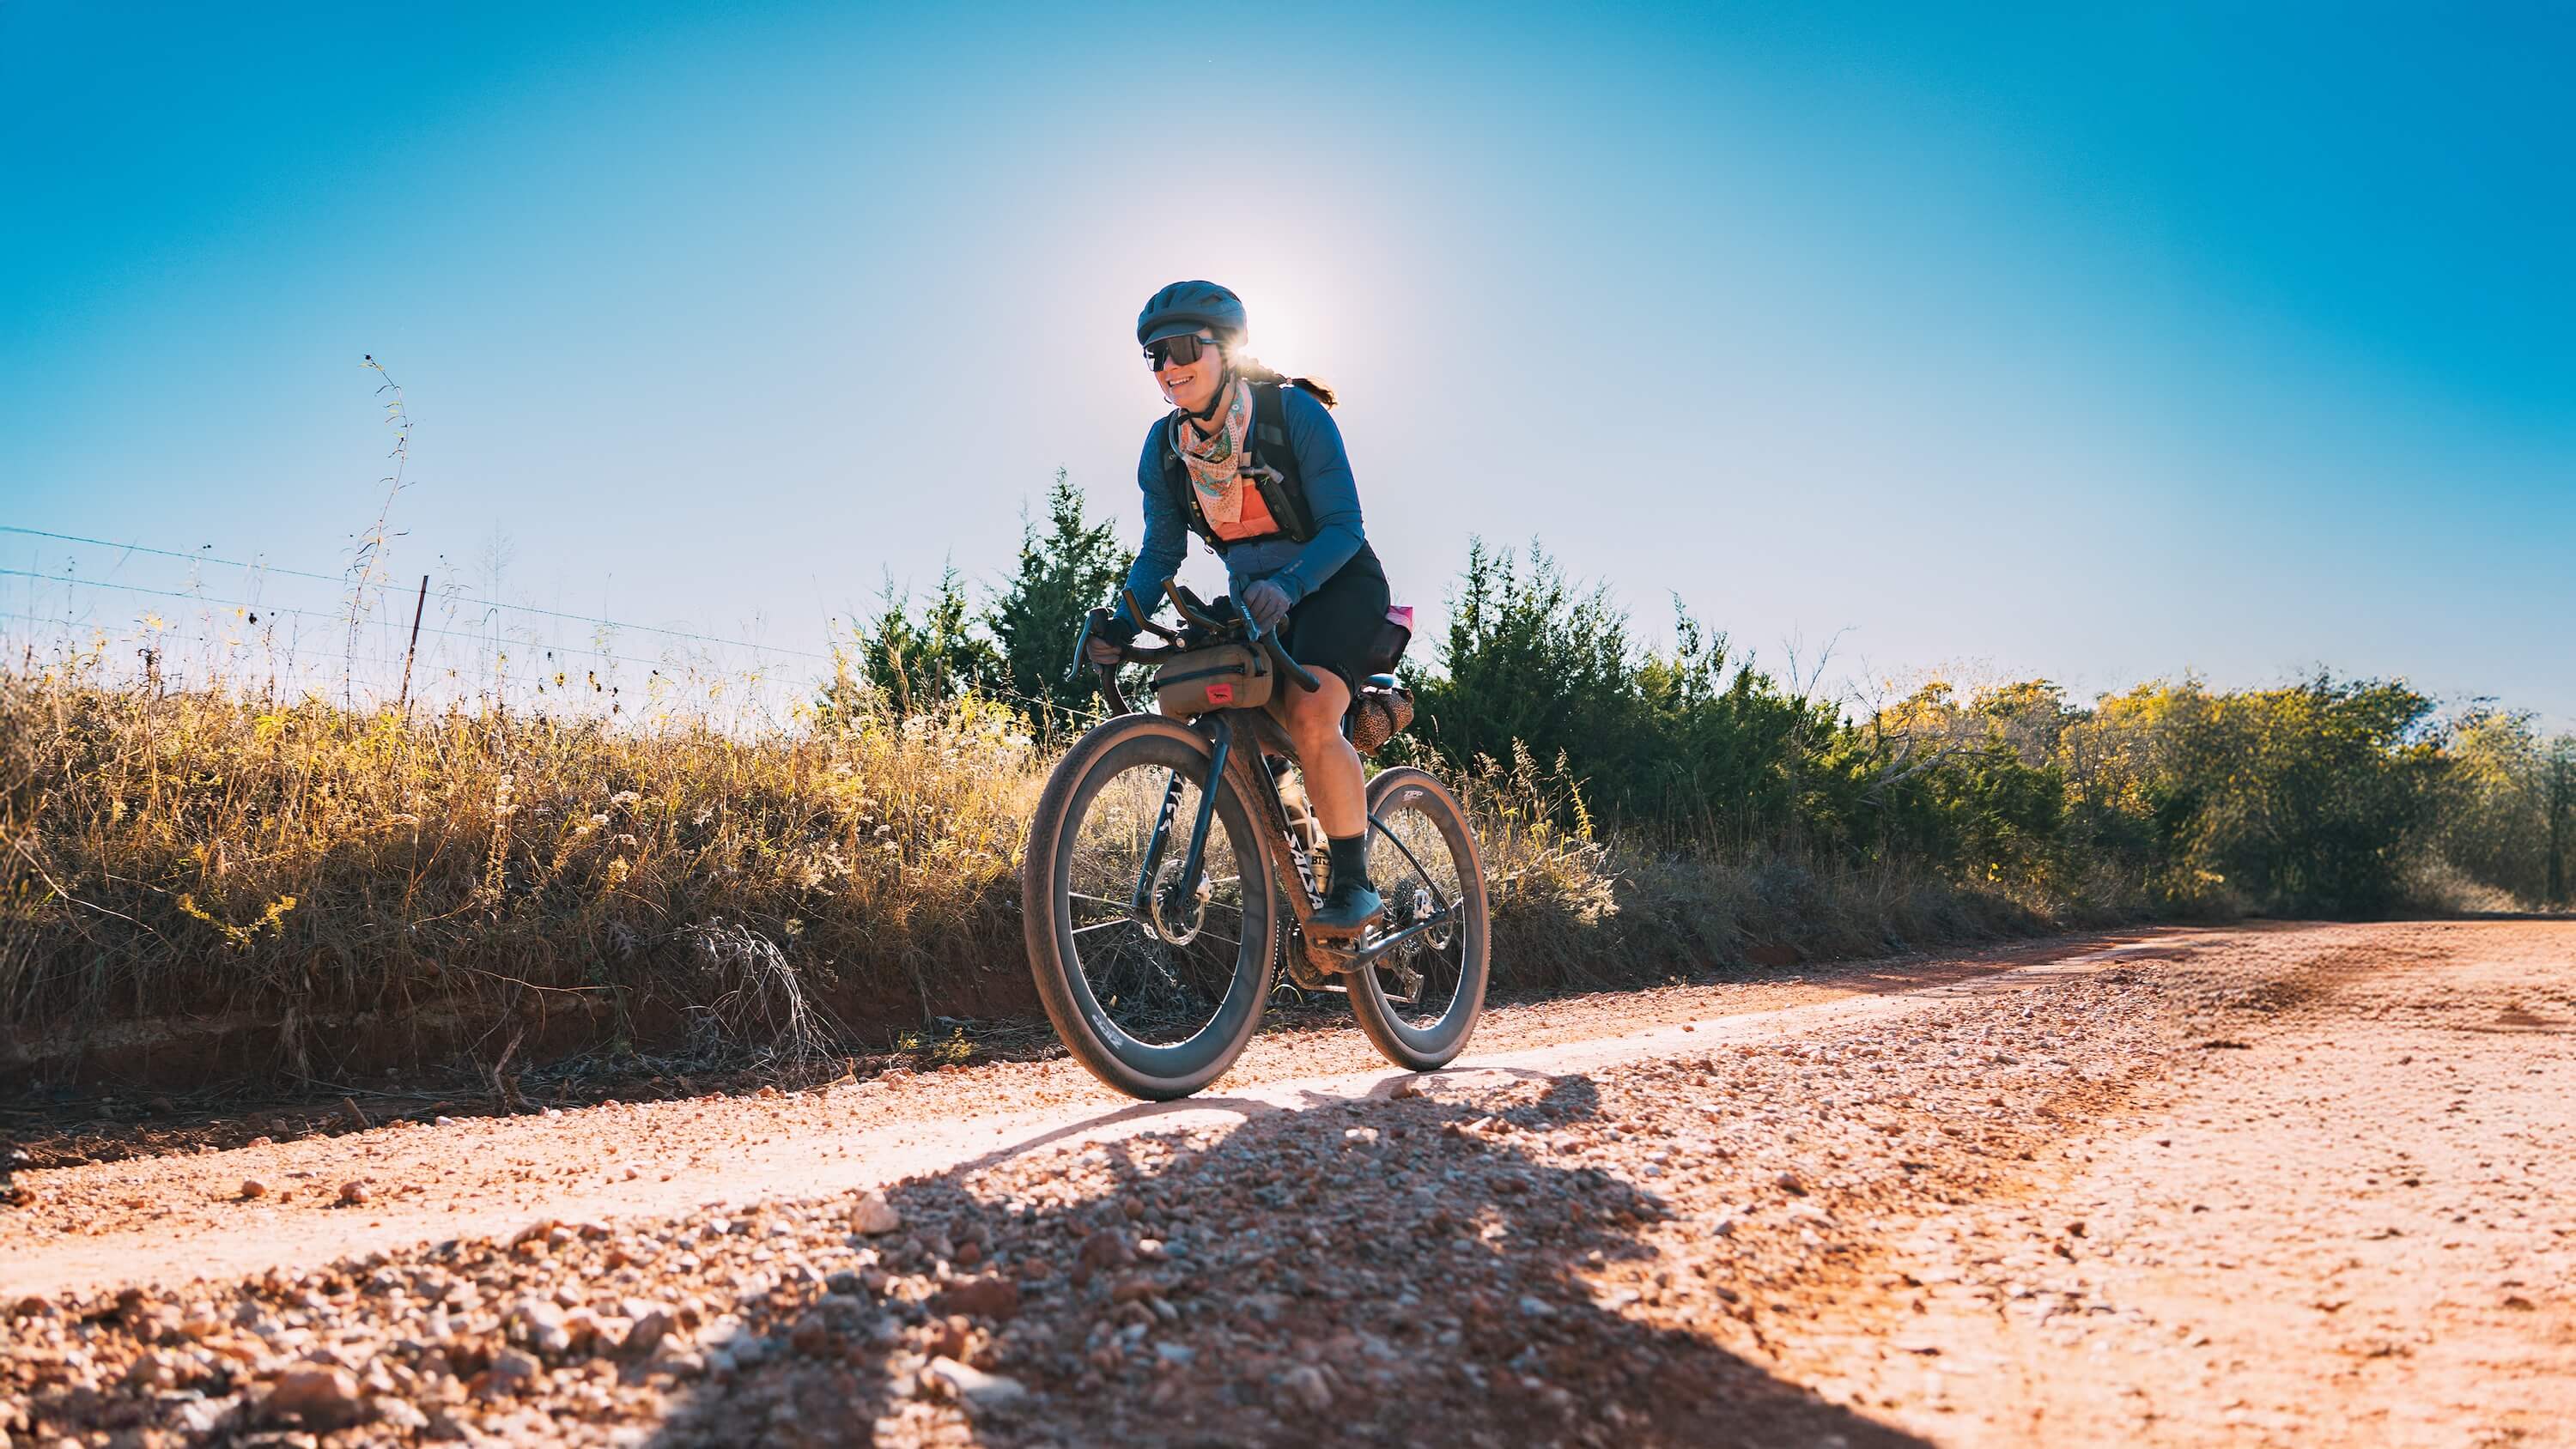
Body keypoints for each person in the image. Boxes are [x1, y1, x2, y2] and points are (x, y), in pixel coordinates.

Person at [1089, 280, 1390, 934]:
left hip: (1336, 586)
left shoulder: (1292, 415)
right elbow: (1160, 555)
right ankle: (1299, 868)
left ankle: (1353, 886)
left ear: (1224, 349)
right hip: (1258, 605)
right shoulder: (1165, 449)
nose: (1167, 367)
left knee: (1312, 716)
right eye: (1153, 357)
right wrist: (1118, 624)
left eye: (1179, 349)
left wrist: (1290, 587)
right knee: (1242, 719)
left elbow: (1344, 527)